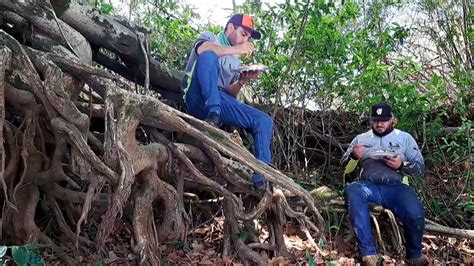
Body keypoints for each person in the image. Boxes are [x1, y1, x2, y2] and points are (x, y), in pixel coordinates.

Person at [182, 13, 272, 191]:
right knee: (208, 55)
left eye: (248, 37)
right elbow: (203, 51)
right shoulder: (210, 37)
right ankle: (213, 113)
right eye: (243, 33)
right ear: (230, 28)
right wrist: (238, 49)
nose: (245, 40)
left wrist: (242, 80)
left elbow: (230, 93)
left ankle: (261, 175)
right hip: (197, 97)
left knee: (264, 120)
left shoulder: (235, 61)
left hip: (220, 100)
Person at [341, 103, 428, 266]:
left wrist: (401, 165)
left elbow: (420, 169)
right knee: (353, 190)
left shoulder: (404, 138)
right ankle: (369, 255)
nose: (379, 124)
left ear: (392, 120)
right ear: (370, 121)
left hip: (397, 188)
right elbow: (345, 170)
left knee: (415, 213)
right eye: (376, 120)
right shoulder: (361, 139)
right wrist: (353, 156)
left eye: (384, 120)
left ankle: (415, 254)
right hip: (368, 186)